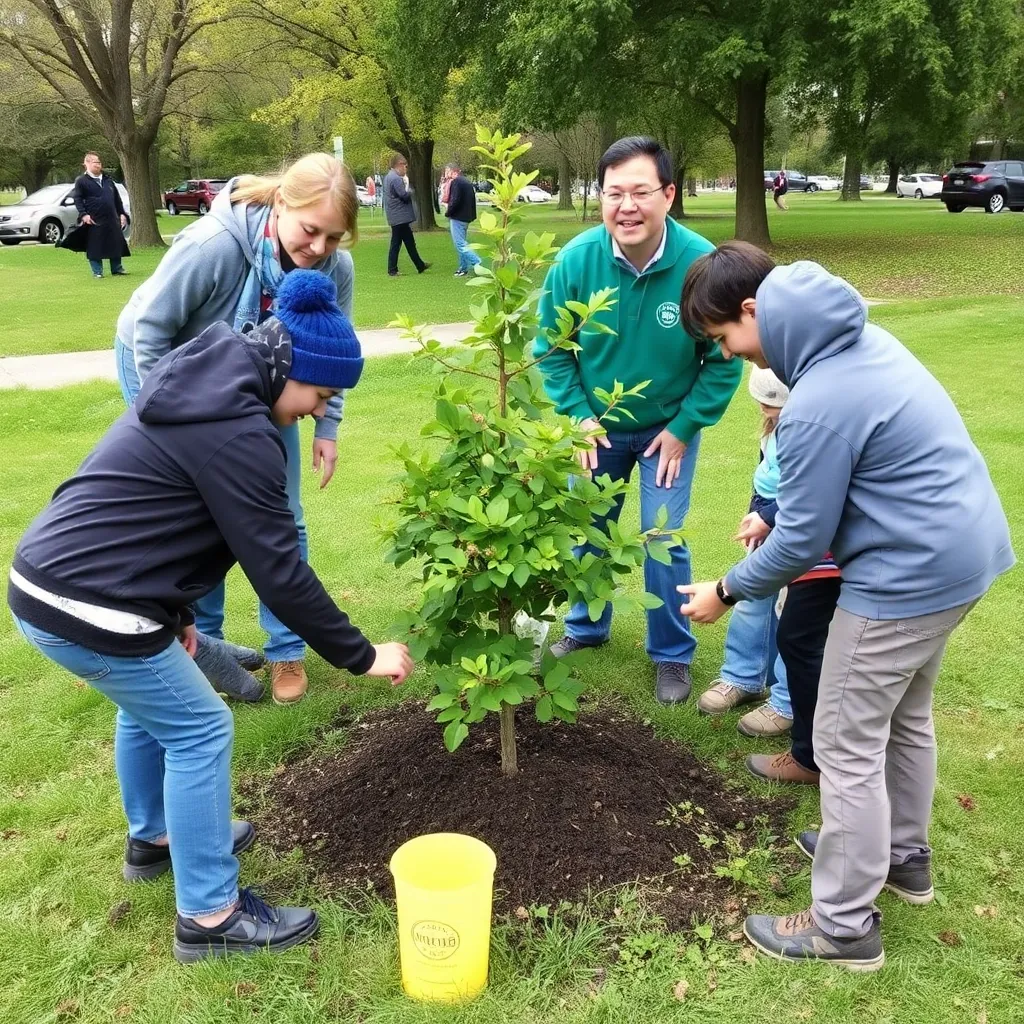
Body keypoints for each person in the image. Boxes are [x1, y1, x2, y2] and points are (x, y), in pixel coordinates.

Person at [9, 270, 415, 963]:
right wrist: (361, 653)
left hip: (52, 577)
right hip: (87, 598)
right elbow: (279, 572)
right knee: (202, 727)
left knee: (150, 706)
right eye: (321, 393)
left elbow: (159, 516)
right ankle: (210, 916)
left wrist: (170, 611)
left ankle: (156, 836)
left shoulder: (210, 378)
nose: (321, 410)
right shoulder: (241, 435)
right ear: (293, 369)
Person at [678, 241, 1014, 970]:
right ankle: (901, 858)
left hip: (906, 578)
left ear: (751, 312)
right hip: (963, 554)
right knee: (904, 718)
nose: (733, 355)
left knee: (842, 741)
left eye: (724, 339)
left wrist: (726, 590)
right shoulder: (858, 339)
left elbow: (801, 548)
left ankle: (842, 926)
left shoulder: (818, 400)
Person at [113, 153, 358, 705]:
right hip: (159, 364)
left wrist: (328, 426)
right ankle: (206, 647)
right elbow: (151, 329)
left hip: (271, 385)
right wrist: (178, 426)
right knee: (206, 511)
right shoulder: (214, 247)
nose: (318, 248)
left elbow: (332, 356)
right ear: (281, 204)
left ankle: (286, 650)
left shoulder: (333, 270)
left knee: (283, 517)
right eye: (310, 230)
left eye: (333, 237)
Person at [534, 136, 743, 705]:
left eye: (640, 192)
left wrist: (683, 427)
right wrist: (579, 416)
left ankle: (672, 656)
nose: (626, 206)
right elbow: (550, 349)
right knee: (588, 531)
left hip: (665, 435)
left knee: (660, 537)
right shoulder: (577, 261)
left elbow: (723, 361)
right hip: (595, 430)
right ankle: (585, 627)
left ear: (668, 195)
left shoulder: (700, 264)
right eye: (613, 193)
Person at [696, 367, 795, 734]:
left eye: (774, 406)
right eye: (763, 404)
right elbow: (766, 475)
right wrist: (756, 510)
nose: (766, 411)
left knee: (793, 612)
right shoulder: (772, 428)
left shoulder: (811, 428)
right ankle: (743, 677)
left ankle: (787, 700)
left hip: (798, 525)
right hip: (768, 520)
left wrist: (769, 517)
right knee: (753, 599)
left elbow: (807, 491)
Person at [71, 152, 129, 278]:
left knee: (115, 242)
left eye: (99, 162)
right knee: (95, 245)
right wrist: (84, 215)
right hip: (94, 218)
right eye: (95, 162)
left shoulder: (108, 180)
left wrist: (122, 214)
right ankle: (97, 271)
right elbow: (78, 199)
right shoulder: (82, 181)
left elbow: (116, 199)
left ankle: (117, 268)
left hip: (111, 217)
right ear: (86, 164)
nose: (98, 165)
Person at [383, 153, 429, 277]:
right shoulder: (396, 179)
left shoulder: (388, 177)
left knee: (408, 242)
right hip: (400, 217)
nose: (406, 169)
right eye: (405, 166)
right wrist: (411, 191)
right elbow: (403, 195)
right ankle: (392, 270)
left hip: (397, 216)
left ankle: (420, 265)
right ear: (399, 165)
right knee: (397, 244)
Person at [443, 161, 481, 278]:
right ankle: (463, 268)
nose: (445, 174)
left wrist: (448, 212)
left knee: (460, 244)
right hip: (465, 217)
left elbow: (455, 201)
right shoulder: (465, 181)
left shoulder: (456, 182)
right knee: (462, 243)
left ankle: (478, 263)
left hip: (458, 217)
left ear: (452, 171)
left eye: (446, 171)